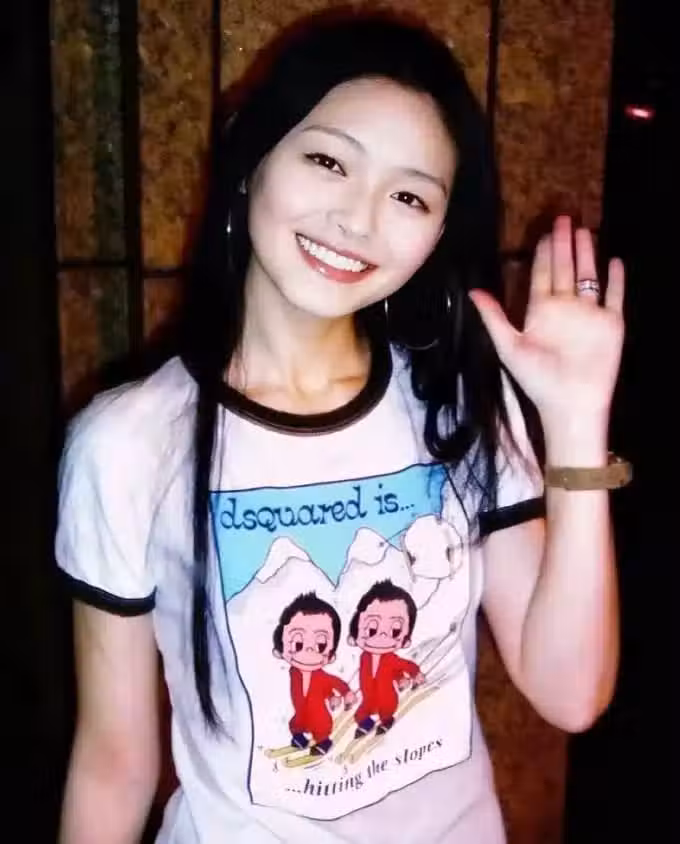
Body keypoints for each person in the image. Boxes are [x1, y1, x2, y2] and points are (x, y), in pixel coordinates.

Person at [55, 10, 628, 844]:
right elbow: (115, 761)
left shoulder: (455, 398)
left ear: (437, 232)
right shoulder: (128, 444)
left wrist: (574, 422)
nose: (358, 220)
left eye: (408, 196)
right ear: (252, 157)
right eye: (328, 161)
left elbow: (570, 694)